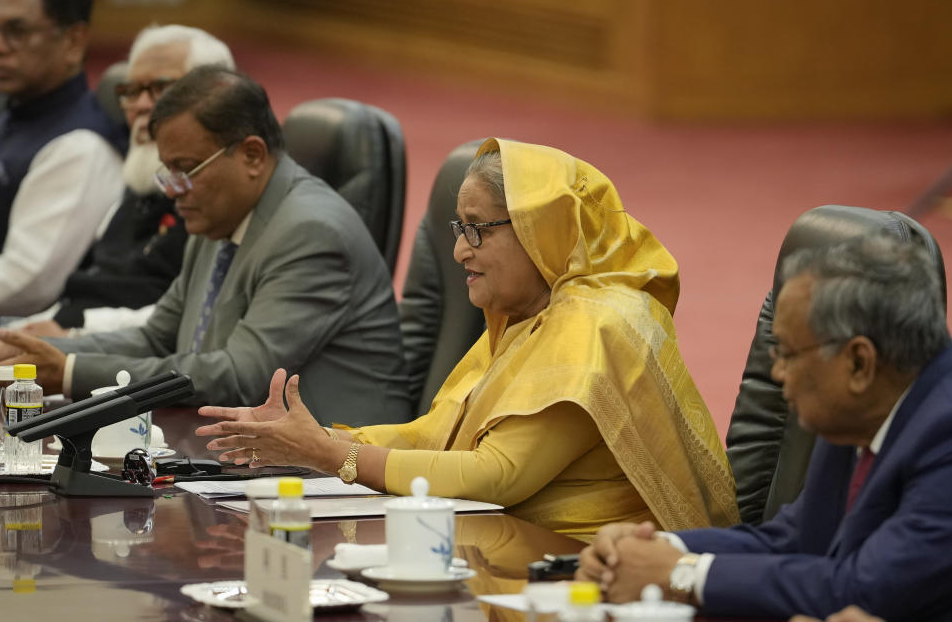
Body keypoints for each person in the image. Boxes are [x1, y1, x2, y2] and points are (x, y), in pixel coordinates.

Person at [196, 138, 739, 541]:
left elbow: (495, 474)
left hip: (580, 578)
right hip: (500, 546)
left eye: (478, 229)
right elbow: (438, 435)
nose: (460, 252)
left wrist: (330, 454)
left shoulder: (596, 324)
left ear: (541, 226)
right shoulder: (526, 314)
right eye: (459, 230)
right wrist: (320, 436)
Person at [0, 66, 412, 426]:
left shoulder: (312, 232)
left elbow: (241, 376)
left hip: (340, 472)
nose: (174, 191)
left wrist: (69, 370)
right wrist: (32, 354)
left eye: (185, 170)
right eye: (168, 171)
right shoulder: (217, 217)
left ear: (252, 155)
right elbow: (158, 338)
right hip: (246, 450)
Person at [576, 234, 952, 621]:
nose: (775, 373)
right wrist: (655, 549)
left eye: (788, 354)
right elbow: (794, 541)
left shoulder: (948, 432)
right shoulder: (861, 409)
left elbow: (861, 590)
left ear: (859, 362)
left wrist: (681, 574)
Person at [12, 24, 234, 337]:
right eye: (132, 91)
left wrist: (74, 337)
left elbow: (193, 317)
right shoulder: (140, 176)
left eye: (162, 89)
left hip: (120, 357)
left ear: (216, 98)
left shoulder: (220, 194)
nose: (142, 105)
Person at [0, 0, 125, 316]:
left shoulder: (80, 146)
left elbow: (25, 285)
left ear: (73, 41)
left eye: (16, 32)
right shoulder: (14, 112)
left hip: (24, 354)